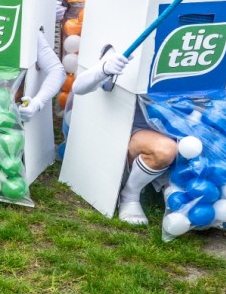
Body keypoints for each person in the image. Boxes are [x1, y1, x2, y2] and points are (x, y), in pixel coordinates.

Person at [69, 46, 177, 224]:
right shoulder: (125, 41)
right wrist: (104, 68)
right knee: (164, 150)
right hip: (135, 129)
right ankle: (130, 195)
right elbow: (79, 87)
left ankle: (174, 190)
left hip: (183, 126)